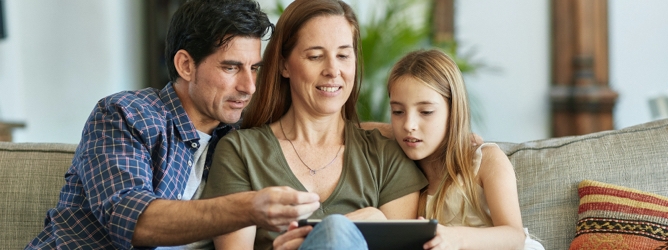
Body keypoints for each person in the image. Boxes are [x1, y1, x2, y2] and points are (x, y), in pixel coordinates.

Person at [26, 1, 324, 249]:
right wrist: (247, 209)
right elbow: (133, 220)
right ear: (185, 65)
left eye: (254, 69)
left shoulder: (240, 136)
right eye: (230, 67)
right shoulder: (125, 115)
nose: (249, 87)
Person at [200, 1, 428, 249]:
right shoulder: (241, 152)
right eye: (316, 56)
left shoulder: (387, 155)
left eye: (343, 55)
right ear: (284, 65)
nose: (333, 70)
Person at [386, 49, 544, 249]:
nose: (409, 124)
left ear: (454, 112)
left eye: (426, 112)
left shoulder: (485, 160)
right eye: (398, 112)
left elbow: (515, 236)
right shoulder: (401, 173)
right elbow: (356, 131)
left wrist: (456, 238)